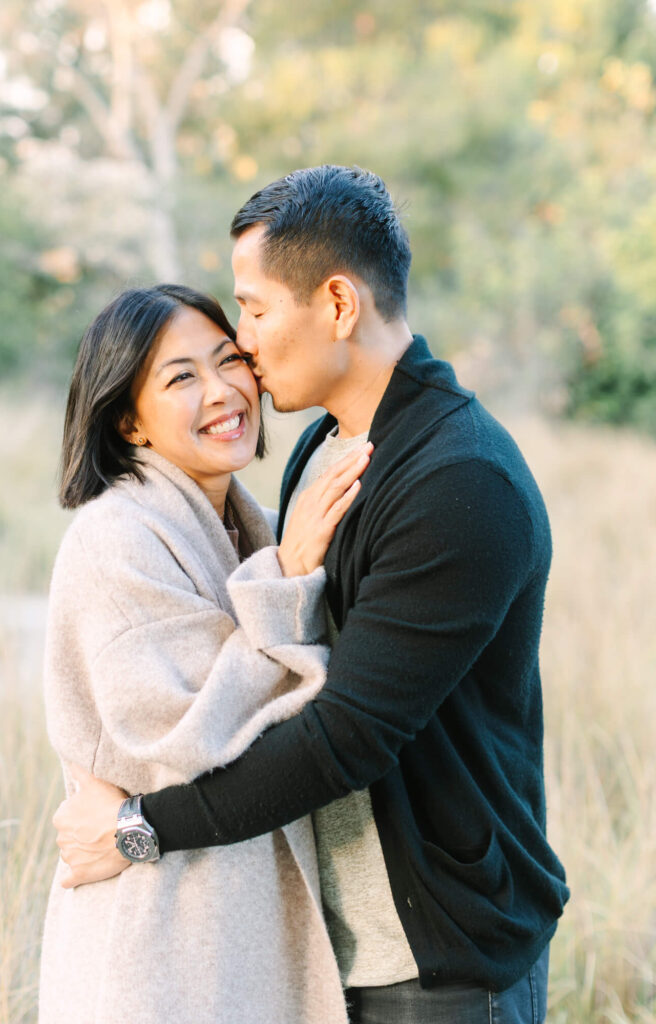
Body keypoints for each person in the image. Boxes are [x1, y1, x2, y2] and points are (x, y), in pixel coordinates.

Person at [54, 166, 570, 1024]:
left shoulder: (461, 481)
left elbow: (347, 739)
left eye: (252, 313)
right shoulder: (322, 450)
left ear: (337, 304)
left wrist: (139, 828)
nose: (244, 345)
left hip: (435, 964)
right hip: (337, 959)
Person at [39, 282, 371, 1023]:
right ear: (127, 419)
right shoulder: (116, 537)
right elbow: (197, 733)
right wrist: (287, 576)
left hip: (226, 931)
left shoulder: (241, 527)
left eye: (230, 361)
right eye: (181, 376)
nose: (223, 391)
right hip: (160, 947)